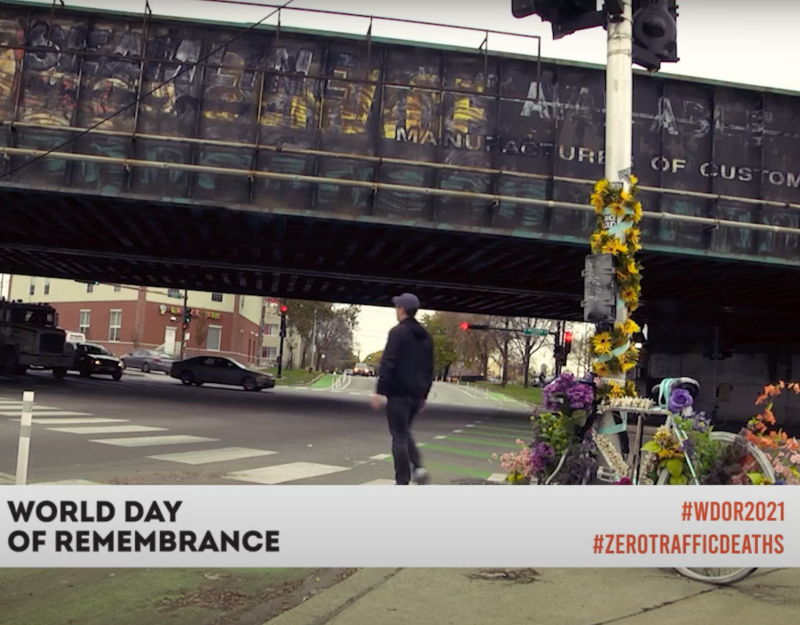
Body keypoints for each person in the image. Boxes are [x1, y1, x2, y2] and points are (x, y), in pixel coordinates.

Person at [370, 293, 434, 485]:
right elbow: (430, 369)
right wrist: (423, 396)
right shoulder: (426, 337)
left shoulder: (397, 332)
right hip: (416, 396)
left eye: (397, 307)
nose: (396, 311)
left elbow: (388, 362)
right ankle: (419, 468)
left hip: (398, 394)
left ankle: (402, 480)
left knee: (398, 436)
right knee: (404, 432)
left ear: (402, 310)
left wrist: (380, 391)